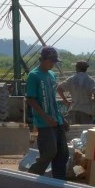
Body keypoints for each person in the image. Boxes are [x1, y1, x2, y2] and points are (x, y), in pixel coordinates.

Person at [25, 46, 69, 179]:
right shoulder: (34, 75)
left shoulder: (52, 75)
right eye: (51, 61)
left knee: (63, 153)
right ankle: (32, 176)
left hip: (56, 119)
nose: (53, 64)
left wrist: (61, 117)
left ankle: (59, 181)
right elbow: (31, 99)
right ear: (42, 60)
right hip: (44, 121)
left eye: (54, 62)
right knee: (49, 151)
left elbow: (52, 99)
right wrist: (45, 117)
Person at [57, 60, 95, 125]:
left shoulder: (71, 79)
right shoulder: (90, 80)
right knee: (85, 133)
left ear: (77, 68)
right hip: (86, 111)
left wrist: (66, 101)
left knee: (75, 133)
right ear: (86, 69)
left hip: (73, 110)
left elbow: (59, 88)